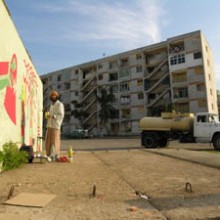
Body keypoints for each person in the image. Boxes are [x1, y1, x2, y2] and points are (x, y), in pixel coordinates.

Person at [45, 90, 64, 158]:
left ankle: (56, 155)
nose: (53, 96)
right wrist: (48, 116)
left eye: (54, 95)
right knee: (48, 140)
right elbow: (51, 114)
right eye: (52, 95)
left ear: (57, 96)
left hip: (55, 125)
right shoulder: (51, 105)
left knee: (55, 141)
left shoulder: (59, 104)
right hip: (49, 125)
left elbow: (61, 115)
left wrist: (53, 116)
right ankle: (48, 154)